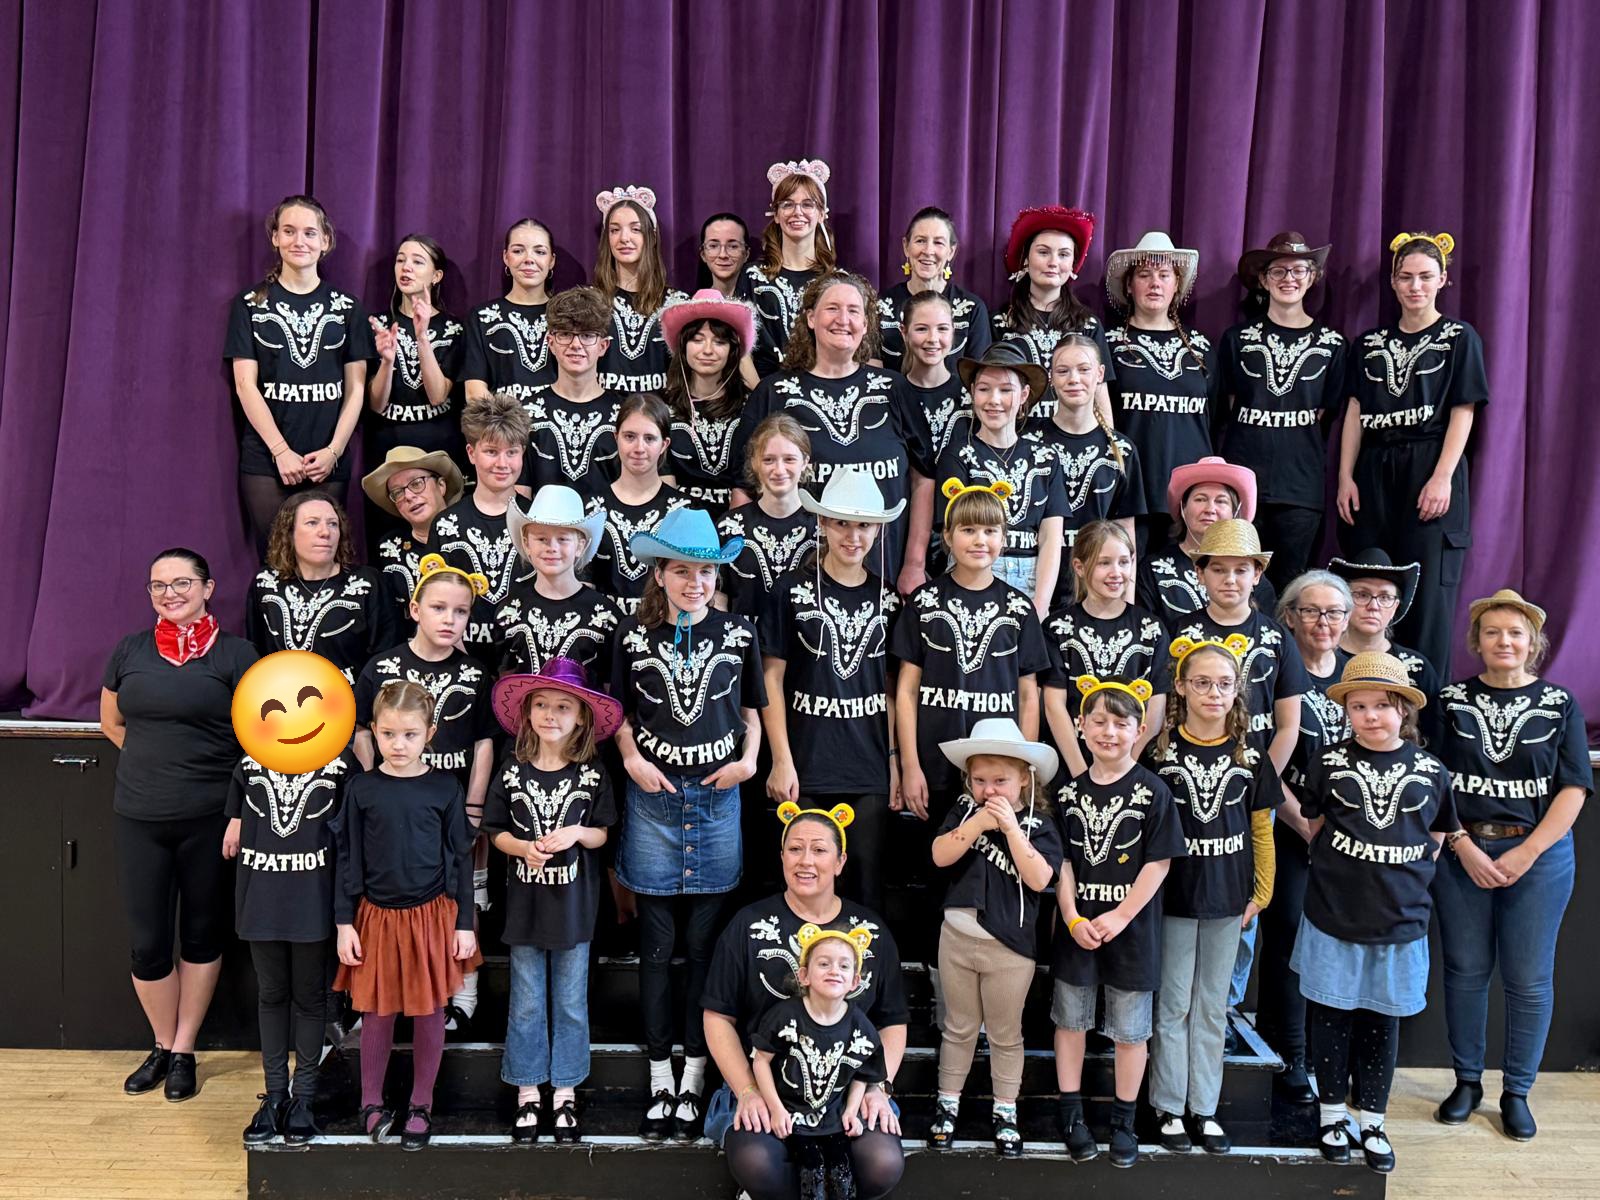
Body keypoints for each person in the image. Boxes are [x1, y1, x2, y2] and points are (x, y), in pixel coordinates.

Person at [613, 507, 768, 1140]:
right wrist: (631, 758)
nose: (694, 583)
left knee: (705, 949)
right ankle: (659, 1077)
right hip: (654, 800)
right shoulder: (632, 635)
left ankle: (696, 1076)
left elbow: (753, 711)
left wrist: (750, 762)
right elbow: (617, 713)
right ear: (659, 574)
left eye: (705, 572)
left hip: (716, 801)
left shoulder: (738, 632)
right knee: (656, 950)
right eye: (681, 571)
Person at [101, 549, 260, 1101]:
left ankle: (185, 1049)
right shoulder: (130, 650)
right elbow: (111, 721)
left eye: (182, 583)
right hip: (138, 816)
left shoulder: (238, 655)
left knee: (201, 936)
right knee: (147, 945)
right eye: (159, 585)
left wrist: (233, 808)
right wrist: (154, 764)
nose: (170, 593)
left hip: (209, 818)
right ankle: (162, 1045)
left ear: (208, 588)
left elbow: (256, 738)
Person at [1433, 590, 1591, 1141]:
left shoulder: (1560, 703)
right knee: (1465, 972)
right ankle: (1467, 1082)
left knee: (1528, 979)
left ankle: (1517, 1091)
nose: (1504, 641)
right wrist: (1461, 844)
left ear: (1533, 643)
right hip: (1464, 852)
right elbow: (1433, 781)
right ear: (1476, 641)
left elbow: (1574, 788)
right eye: (1493, 632)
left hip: (1539, 855)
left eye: (1516, 633)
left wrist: (1528, 852)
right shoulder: (1450, 701)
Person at [1296, 652, 1456, 1174]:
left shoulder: (1432, 771)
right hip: (1334, 914)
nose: (1370, 716)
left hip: (1400, 920)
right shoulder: (1327, 762)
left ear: (1403, 710)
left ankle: (1373, 1120)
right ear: (1346, 711)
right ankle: (1331, 1114)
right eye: (1359, 707)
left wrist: (1399, 872)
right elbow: (1314, 824)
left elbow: (1437, 835)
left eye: (1382, 706)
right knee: (1331, 1014)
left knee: (1381, 1023)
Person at [702, 804, 907, 1200]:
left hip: (847, 1090)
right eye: (795, 849)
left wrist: (878, 1087)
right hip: (769, 1084)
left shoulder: (870, 931)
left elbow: (892, 1021)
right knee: (757, 1163)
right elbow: (717, 1016)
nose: (806, 861)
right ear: (781, 857)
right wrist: (747, 1090)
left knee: (881, 1163)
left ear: (840, 861)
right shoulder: (748, 924)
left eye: (819, 850)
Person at [332, 680, 482, 1150]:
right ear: (374, 731)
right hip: (376, 917)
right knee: (377, 1013)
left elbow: (461, 859)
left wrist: (465, 923)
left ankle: (421, 1103)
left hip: (431, 917)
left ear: (430, 734)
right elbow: (346, 858)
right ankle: (370, 1102)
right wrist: (344, 922)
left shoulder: (444, 788)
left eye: (410, 735)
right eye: (389, 734)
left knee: (429, 1011)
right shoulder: (361, 789)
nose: (399, 745)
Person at [1144, 637, 1279, 1154]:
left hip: (1229, 898)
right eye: (1202, 683)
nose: (1214, 693)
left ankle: (1204, 1107)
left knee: (1212, 1006)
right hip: (1174, 898)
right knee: (1173, 1003)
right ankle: (1168, 1106)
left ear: (1238, 690)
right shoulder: (1159, 753)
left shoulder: (1250, 753)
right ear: (1180, 687)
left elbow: (1261, 827)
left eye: (1225, 684)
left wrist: (1261, 891)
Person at [353, 557, 497, 1035]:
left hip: (452, 804)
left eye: (461, 612)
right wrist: (379, 786)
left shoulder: (475, 672)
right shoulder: (383, 667)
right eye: (439, 608)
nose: (449, 620)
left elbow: (483, 742)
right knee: (398, 896)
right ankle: (393, 990)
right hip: (398, 806)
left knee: (463, 893)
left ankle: (464, 989)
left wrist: (474, 807)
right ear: (415, 609)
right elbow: (362, 731)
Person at [483, 658, 623, 1142]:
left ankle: (564, 1090)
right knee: (525, 1002)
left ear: (581, 718)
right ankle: (527, 1089)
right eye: (541, 704)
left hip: (574, 911)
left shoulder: (592, 774)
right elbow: (495, 831)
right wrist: (523, 847)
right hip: (525, 909)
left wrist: (577, 833)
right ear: (526, 712)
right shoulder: (512, 770)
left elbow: (602, 833)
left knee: (570, 1003)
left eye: (563, 707)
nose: (550, 714)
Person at [1337, 232, 1487, 678]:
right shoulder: (1367, 344)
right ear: (1393, 281)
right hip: (1374, 467)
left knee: (1427, 599)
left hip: (1429, 464)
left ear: (1443, 280)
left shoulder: (1459, 337)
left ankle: (1426, 707)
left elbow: (1463, 410)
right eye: (1406, 277)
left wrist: (1442, 477)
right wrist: (1345, 476)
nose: (1415, 286)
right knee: (1368, 584)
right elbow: (1354, 411)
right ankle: (1361, 689)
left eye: (1425, 276)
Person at [1051, 678, 1186, 1168]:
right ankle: (1072, 1115)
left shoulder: (1154, 791)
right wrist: (1071, 917)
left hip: (1133, 931)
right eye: (1099, 722)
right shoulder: (1067, 794)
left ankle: (1124, 1121)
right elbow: (1061, 863)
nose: (1109, 732)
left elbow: (1159, 862)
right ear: (1081, 727)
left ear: (1140, 730)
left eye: (1121, 723)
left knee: (1131, 1031)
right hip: (1078, 929)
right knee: (1070, 1021)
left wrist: (1122, 914)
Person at [759, 469, 903, 914]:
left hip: (868, 767)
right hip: (806, 764)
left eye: (863, 525)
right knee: (802, 886)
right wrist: (780, 759)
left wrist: (894, 761)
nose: (852, 536)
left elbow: (892, 689)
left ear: (878, 530)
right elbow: (771, 679)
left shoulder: (890, 598)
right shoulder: (790, 591)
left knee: (867, 885)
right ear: (822, 523)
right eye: (841, 523)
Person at [734, 271, 932, 583]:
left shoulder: (895, 389)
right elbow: (743, 487)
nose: (843, 319)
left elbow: (924, 479)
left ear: (865, 324)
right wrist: (743, 570)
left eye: (854, 311)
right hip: (793, 575)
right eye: (832, 308)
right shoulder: (773, 392)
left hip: (883, 572)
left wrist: (915, 564)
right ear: (811, 318)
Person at [893, 483, 1052, 870]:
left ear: (1004, 537)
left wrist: (1022, 769)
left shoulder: (1019, 609)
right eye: (968, 530)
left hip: (997, 774)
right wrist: (910, 766)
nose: (980, 540)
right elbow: (906, 692)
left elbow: (1028, 696)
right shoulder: (925, 603)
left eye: (990, 531)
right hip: (934, 765)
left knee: (993, 869)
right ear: (947, 536)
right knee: (934, 867)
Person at [928, 719, 1062, 1158]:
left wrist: (1010, 830)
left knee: (1005, 1033)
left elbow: (1041, 878)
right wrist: (976, 824)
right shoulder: (963, 812)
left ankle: (1005, 1109)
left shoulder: (1039, 823)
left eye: (1000, 781)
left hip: (1010, 948)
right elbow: (939, 855)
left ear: (1025, 778)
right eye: (979, 780)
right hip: (957, 938)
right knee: (958, 1026)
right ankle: (948, 1103)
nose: (989, 791)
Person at [225, 745, 357, 1145]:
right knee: (271, 994)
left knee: (310, 999)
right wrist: (234, 822)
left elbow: (348, 842)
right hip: (260, 897)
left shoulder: (339, 762)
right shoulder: (250, 760)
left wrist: (343, 913)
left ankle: (304, 1098)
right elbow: (236, 817)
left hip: (312, 899)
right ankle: (275, 1095)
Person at [1256, 569, 1353, 1104]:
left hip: (1350, 841)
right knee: (1289, 935)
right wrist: (1303, 824)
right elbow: (1265, 756)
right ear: (1289, 617)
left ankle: (1325, 1054)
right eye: (1311, 611)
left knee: (1337, 942)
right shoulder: (1278, 672)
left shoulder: (1359, 676)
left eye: (1334, 612)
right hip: (1291, 827)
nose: (1323, 622)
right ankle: (1288, 1052)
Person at [226, 195, 370, 554]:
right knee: (277, 562)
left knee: (322, 562)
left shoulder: (347, 307)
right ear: (275, 238)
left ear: (325, 240)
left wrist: (334, 451)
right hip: (267, 459)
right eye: (288, 231)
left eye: (309, 233)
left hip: (328, 460)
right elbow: (245, 385)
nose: (298, 241)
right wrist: (280, 451)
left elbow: (356, 390)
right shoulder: (250, 304)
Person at [1218, 233, 1347, 591]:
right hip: (1244, 480)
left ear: (1312, 277)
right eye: (1278, 271)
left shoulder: (1333, 344)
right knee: (1238, 581)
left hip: (1300, 487)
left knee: (1291, 585)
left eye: (1298, 270)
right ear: (1263, 280)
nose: (1288, 279)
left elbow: (1327, 414)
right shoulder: (1236, 339)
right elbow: (1229, 405)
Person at [751, 923, 887, 1200]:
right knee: (811, 1171)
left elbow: (862, 1072)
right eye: (824, 964)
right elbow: (761, 1061)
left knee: (841, 1174)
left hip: (833, 1116)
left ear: (855, 981)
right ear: (804, 975)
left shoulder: (860, 1025)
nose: (834, 970)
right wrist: (776, 1109)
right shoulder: (785, 1016)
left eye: (844, 966)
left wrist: (851, 1111)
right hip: (791, 1112)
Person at [930, 344, 1067, 614]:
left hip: (1032, 576)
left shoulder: (1046, 458)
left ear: (1024, 395)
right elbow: (956, 536)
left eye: (1005, 390)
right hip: (973, 574)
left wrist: (1040, 606)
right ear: (972, 392)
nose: (994, 400)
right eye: (984, 389)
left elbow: (1051, 537)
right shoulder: (957, 455)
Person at [1104, 232, 1215, 554]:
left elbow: (1216, 414)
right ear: (1129, 285)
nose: (1155, 283)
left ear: (1176, 285)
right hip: (1130, 488)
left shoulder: (1202, 348)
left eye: (1164, 275)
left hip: (1189, 494)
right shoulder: (1109, 344)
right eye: (1144, 274)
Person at [1042, 520, 1170, 777]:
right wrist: (1082, 774)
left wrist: (1125, 771)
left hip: (1134, 767)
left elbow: (1156, 708)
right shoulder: (1057, 628)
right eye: (1104, 563)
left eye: (1123, 562)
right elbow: (1054, 705)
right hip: (1074, 765)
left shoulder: (1152, 629)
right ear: (1079, 567)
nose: (1116, 572)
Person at [433, 393, 536, 664]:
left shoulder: (537, 520)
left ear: (522, 454)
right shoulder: (445, 524)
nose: (502, 464)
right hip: (460, 658)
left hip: (527, 660)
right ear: (471, 453)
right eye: (491, 451)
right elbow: (435, 599)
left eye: (511, 452)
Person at [245, 492, 393, 681]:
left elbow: (385, 657)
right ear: (289, 532)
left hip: (350, 697)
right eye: (312, 523)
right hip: (282, 697)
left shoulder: (367, 582)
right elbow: (256, 652)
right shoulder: (266, 582)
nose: (325, 532)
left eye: (333, 524)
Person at [1032, 335, 1144, 580]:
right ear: (1051, 378)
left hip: (1096, 584)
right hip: (1035, 579)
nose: (1074, 379)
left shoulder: (1122, 449)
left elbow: (1126, 534)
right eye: (1063, 371)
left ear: (1100, 374)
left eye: (1084, 369)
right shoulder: (1029, 441)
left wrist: (1126, 599)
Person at [990, 205, 1113, 424]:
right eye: (1043, 252)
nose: (1053, 262)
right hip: (1014, 439)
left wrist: (1109, 441)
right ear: (1026, 258)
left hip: (1073, 439)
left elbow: (1100, 396)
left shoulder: (1087, 325)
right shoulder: (1000, 322)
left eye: (1063, 254)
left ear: (1073, 264)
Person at [366, 234, 468, 485]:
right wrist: (387, 361)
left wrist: (422, 337)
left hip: (438, 447)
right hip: (387, 447)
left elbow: (438, 396)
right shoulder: (377, 325)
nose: (406, 267)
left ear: (436, 276)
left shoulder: (454, 329)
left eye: (418, 261)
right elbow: (376, 404)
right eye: (401, 260)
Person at [1138, 456, 1277, 632]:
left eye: (1221, 501)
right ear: (1183, 508)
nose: (1210, 509)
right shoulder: (1153, 569)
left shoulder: (1253, 579)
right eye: (1200, 499)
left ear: (1235, 513)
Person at [495, 484, 620, 678]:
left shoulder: (605, 614)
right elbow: (505, 682)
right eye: (541, 539)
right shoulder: (509, 611)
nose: (552, 548)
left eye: (562, 539)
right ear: (526, 544)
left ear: (580, 546)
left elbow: (609, 686)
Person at [1329, 548, 1442, 743]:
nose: (1374, 606)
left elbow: (1435, 737)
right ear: (1343, 601)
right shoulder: (1322, 661)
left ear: (1395, 607)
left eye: (1385, 597)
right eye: (1362, 595)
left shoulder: (1417, 667)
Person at [588, 394, 689, 612]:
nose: (639, 448)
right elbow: (582, 583)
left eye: (650, 438)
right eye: (630, 436)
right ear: (616, 437)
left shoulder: (684, 511)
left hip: (664, 623)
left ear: (664, 444)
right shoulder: (590, 509)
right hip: (601, 624)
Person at [662, 289, 758, 515]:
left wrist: (731, 526)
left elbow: (750, 481)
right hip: (678, 522)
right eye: (697, 340)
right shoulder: (662, 406)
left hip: (739, 522)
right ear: (683, 346)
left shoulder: (751, 406)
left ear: (732, 350)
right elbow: (663, 483)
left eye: (719, 341)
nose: (707, 350)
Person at [524, 286, 625, 496]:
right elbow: (520, 495)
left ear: (603, 346)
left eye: (587, 335)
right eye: (565, 334)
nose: (576, 344)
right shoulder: (526, 413)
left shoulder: (624, 415)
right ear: (550, 343)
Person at [745, 158, 839, 375]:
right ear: (776, 215)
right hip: (764, 389)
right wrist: (762, 391)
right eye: (787, 204)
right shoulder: (752, 276)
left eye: (807, 204)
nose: (797, 212)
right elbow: (741, 348)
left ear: (822, 214)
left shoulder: (836, 281)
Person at [719, 415, 816, 616]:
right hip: (743, 635)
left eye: (789, 459)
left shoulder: (822, 527)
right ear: (754, 462)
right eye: (768, 460)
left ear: (805, 462)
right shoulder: (728, 526)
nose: (779, 470)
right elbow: (719, 598)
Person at [363, 445, 465, 633]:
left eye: (417, 483)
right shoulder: (388, 547)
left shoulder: (472, 534)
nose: (409, 496)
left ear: (441, 486)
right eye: (398, 492)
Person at [877, 206, 991, 372]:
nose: (928, 251)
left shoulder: (973, 309)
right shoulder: (880, 307)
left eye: (938, 242)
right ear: (906, 246)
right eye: (920, 241)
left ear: (951, 251)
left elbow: (980, 376)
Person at [593, 187, 684, 392]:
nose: (624, 238)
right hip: (603, 409)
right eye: (615, 230)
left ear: (652, 236)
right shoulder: (590, 300)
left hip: (660, 409)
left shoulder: (677, 303)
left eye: (635, 229)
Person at [461, 218, 558, 404]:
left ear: (551, 260)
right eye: (518, 251)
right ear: (506, 257)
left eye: (539, 252)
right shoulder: (482, 317)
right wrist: (508, 420)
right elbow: (474, 391)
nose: (529, 259)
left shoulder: (567, 314)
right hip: (501, 421)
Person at [896, 292, 969, 472]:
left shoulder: (971, 393)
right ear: (904, 332)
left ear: (953, 331)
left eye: (942, 329)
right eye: (922, 329)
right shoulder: (892, 394)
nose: (932, 339)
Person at [696, 211, 753, 298]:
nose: (723, 255)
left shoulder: (764, 303)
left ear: (746, 254)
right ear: (703, 254)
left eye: (733, 246)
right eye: (713, 246)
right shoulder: (694, 304)